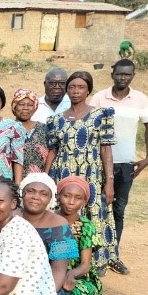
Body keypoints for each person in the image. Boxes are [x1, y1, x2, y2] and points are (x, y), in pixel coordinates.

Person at [45, 70, 118, 274]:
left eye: (81, 87)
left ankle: (94, 262)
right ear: (67, 90)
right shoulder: (56, 120)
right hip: (62, 174)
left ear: (88, 91)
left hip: (91, 174)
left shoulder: (100, 115)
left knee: (93, 214)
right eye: (72, 87)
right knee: (61, 214)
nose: (76, 91)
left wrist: (109, 181)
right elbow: (52, 151)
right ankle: (62, 260)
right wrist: (46, 178)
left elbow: (106, 148)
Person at [17, 173, 87, 295]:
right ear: (22, 193)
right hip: (9, 280)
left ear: (50, 198)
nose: (36, 197)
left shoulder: (59, 224)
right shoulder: (10, 217)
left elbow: (59, 270)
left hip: (45, 285)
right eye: (30, 191)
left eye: (43, 193)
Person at [89, 59, 148, 275]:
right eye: (119, 74)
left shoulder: (140, 99)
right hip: (98, 164)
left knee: (118, 210)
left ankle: (113, 256)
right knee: (96, 209)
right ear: (112, 74)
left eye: (127, 74)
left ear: (133, 75)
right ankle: (95, 255)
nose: (122, 78)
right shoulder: (99, 98)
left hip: (126, 164)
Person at [57, 176, 110, 295]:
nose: (71, 202)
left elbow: (85, 265)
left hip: (76, 275)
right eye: (67, 196)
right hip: (49, 272)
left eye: (78, 198)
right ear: (59, 195)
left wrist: (69, 275)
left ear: (84, 202)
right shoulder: (48, 219)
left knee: (75, 294)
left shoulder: (86, 226)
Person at [12, 88, 48, 176]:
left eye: (30, 105)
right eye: (21, 104)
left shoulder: (44, 128)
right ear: (14, 107)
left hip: (38, 180)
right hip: (11, 181)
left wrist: (46, 175)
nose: (25, 108)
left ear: (35, 108)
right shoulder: (8, 128)